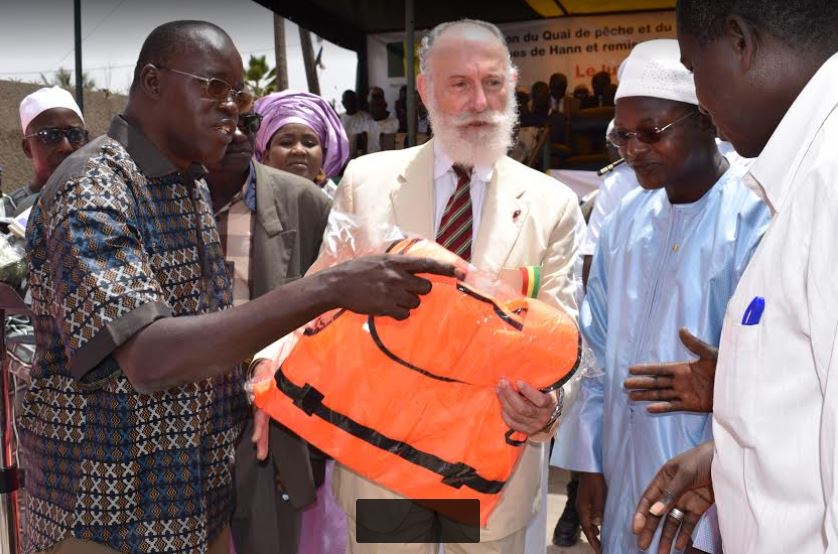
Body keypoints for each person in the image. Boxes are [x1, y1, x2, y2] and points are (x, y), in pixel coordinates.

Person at [17, 20, 457, 554]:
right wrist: (327, 289)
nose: (232, 107)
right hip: (105, 521)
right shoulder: (94, 187)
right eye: (214, 87)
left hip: (195, 510)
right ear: (153, 83)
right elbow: (149, 356)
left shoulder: (188, 184)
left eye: (239, 94)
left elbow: (214, 336)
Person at [318, 18, 582, 554]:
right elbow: (321, 305)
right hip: (383, 463)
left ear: (512, 84)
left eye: (493, 82)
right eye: (459, 83)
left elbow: (565, 333)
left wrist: (547, 405)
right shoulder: (365, 183)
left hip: (491, 466)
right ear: (424, 90)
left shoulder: (552, 204)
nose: (478, 101)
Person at [631, 2, 838, 553]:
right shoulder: (808, 174)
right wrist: (732, 465)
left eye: (694, 69)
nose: (699, 97)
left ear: (739, 42)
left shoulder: (831, 180)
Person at [552, 39, 770, 554]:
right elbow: (595, 352)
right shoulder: (625, 219)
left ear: (707, 120)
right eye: (622, 135)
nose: (632, 151)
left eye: (651, 133)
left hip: (713, 482)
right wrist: (590, 465)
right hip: (625, 467)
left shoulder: (756, 217)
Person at [204, 108, 332, 554]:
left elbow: (335, 327)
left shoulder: (306, 203)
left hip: (268, 428)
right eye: (223, 118)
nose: (237, 132)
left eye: (249, 121)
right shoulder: (157, 199)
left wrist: (310, 444)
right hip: (182, 432)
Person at [7, 86, 88, 217]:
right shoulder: (6, 212)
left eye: (75, 134)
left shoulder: (109, 203)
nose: (65, 146)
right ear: (28, 148)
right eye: (50, 135)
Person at [254, 90, 350, 198]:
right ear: (266, 156)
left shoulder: (341, 206)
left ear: (323, 156)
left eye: (309, 143)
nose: (299, 150)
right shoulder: (247, 205)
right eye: (286, 143)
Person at [364, 86, 400, 153]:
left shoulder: (395, 123)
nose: (374, 109)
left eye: (377, 105)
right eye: (372, 106)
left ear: (385, 105)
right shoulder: (365, 124)